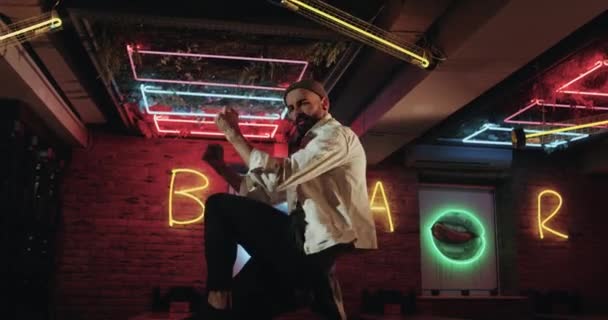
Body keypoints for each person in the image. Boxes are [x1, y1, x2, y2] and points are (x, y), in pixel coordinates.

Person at [196, 79, 377, 319]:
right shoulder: (308, 149)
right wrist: (221, 169)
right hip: (300, 244)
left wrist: (233, 134)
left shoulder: (336, 135)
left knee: (219, 206)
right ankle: (308, 291)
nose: (296, 113)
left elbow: (283, 173)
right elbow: (266, 191)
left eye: (303, 104)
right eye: (291, 109)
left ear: (324, 103)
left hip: (308, 247)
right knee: (240, 304)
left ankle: (218, 296)